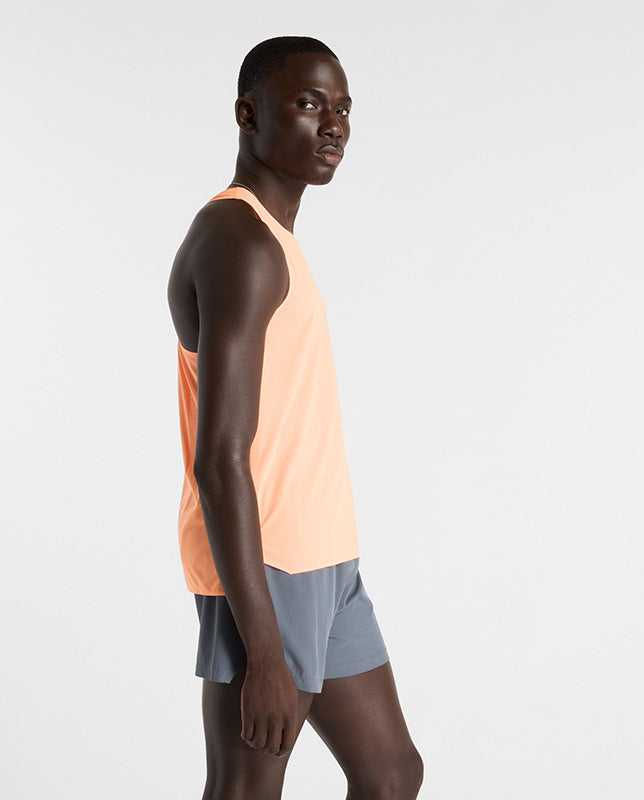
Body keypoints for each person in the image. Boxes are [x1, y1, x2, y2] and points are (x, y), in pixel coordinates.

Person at [167, 36, 424, 800]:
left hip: (325, 559)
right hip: (268, 564)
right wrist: (265, 652)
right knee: (247, 788)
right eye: (310, 103)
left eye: (342, 108)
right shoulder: (239, 241)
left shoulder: (272, 239)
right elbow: (219, 459)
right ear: (248, 115)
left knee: (391, 775)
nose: (333, 124)